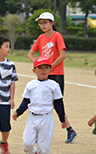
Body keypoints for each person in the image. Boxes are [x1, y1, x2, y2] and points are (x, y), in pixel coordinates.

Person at [27, 11, 77, 143]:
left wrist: (49, 67)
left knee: (56, 102)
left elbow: (62, 56)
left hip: (56, 74)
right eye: (41, 23)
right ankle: (66, 130)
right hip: (46, 73)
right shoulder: (41, 38)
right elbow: (30, 54)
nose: (42, 25)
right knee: (44, 101)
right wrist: (38, 65)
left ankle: (69, 130)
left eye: (45, 22)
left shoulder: (57, 36)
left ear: (52, 23)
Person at [12, 57, 66, 154]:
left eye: (46, 67)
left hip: (46, 119)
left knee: (44, 149)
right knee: (27, 144)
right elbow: (26, 101)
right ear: (34, 70)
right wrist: (18, 112)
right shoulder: (30, 84)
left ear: (51, 69)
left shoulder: (54, 85)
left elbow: (58, 104)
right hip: (32, 117)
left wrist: (62, 119)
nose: (43, 70)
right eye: (40, 67)